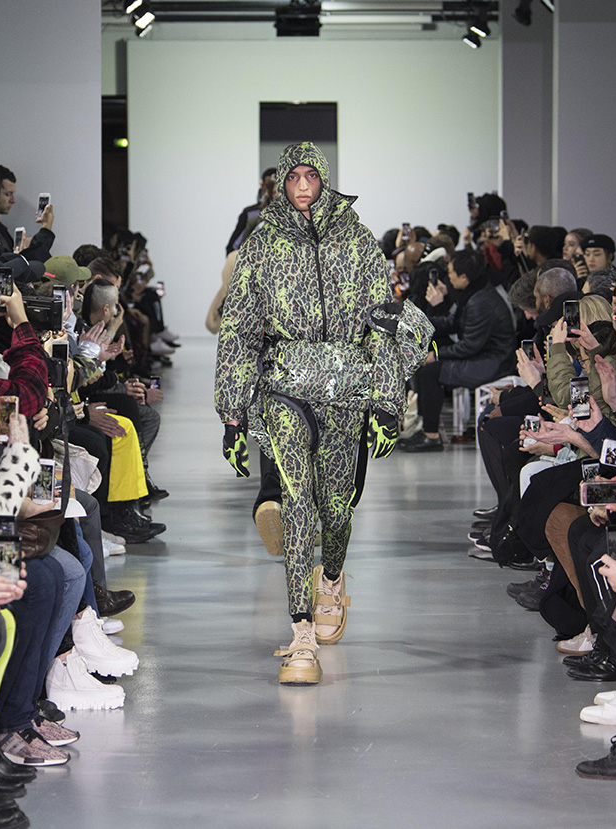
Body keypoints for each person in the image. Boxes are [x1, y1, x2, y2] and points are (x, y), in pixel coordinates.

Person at [214, 140, 432, 686]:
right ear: (281, 182)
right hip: (286, 385)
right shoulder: (262, 243)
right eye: (294, 177)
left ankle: (331, 576)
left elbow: (383, 323)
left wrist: (386, 403)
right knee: (297, 502)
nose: (303, 186)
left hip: (348, 388)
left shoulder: (358, 240)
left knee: (336, 509)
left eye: (312, 176)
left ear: (325, 179)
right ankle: (301, 633)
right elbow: (238, 328)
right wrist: (233, 414)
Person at [401, 248, 516, 452]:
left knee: (430, 371)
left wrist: (436, 355)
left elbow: (469, 346)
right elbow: (453, 322)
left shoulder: (480, 303)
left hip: (494, 362)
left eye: (451, 273)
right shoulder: (474, 293)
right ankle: (427, 430)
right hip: (485, 355)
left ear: (464, 277)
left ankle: (431, 435)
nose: (448, 277)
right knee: (425, 366)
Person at [0, 164, 56, 262]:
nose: (13, 200)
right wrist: (46, 228)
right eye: (8, 194)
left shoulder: (1, 231)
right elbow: (14, 261)